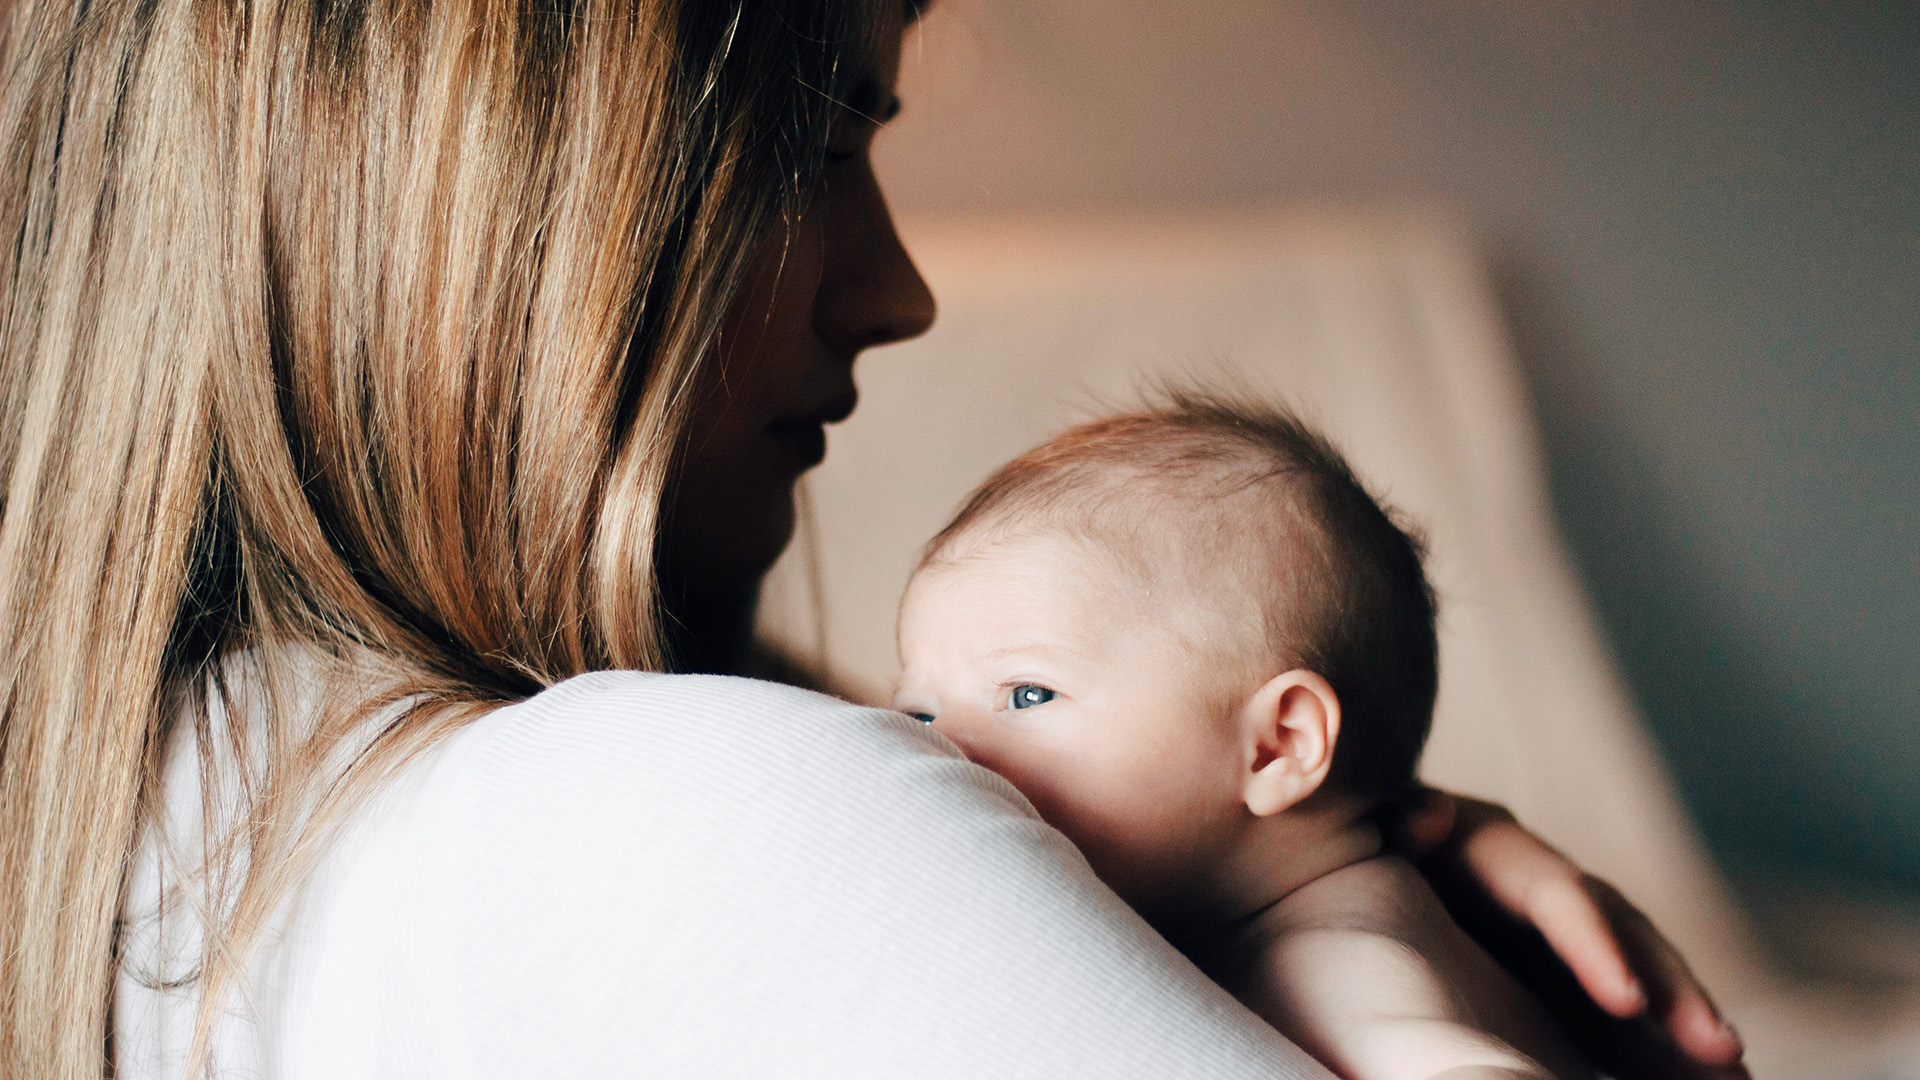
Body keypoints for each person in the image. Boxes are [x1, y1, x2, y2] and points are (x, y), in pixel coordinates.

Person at [0, 1, 1745, 1078]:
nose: (901, 288)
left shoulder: (147, 821)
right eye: (818, 142)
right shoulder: (672, 811)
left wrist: (1357, 859)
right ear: (487, 190)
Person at [895, 397, 1592, 1080]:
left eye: (1029, 694)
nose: (943, 747)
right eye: (919, 714)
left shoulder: (1322, 955)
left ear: (1278, 745)